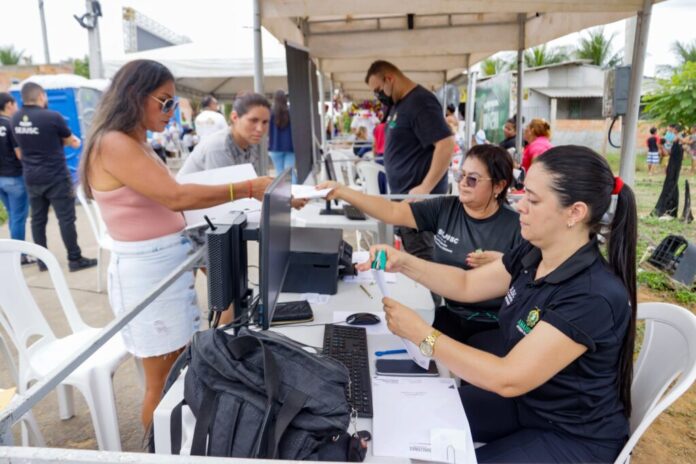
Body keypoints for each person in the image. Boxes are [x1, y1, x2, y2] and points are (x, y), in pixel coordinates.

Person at [360, 145, 638, 463]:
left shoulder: (593, 295)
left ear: (574, 212)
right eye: (523, 195)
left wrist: (424, 336)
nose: (520, 207)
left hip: (572, 434)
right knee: (410, 421)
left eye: (533, 200)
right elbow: (466, 284)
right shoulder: (534, 252)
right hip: (527, 403)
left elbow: (508, 377)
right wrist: (403, 262)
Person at [79, 59, 274, 429]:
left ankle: (172, 443)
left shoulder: (133, 142)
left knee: (177, 371)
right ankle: (158, 448)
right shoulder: (114, 143)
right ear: (135, 97)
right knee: (162, 382)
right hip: (148, 271)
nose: (171, 111)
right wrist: (247, 188)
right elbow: (175, 196)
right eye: (165, 102)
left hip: (165, 265)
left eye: (173, 103)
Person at [319, 144, 522, 344]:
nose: (462, 183)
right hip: (450, 314)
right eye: (461, 175)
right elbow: (393, 212)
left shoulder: (517, 227)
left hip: (494, 325)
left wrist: (504, 264)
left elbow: (534, 279)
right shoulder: (446, 207)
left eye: (473, 179)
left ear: (499, 186)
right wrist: (343, 192)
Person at [364, 60, 455, 265]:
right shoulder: (399, 104)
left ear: (390, 79)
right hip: (405, 203)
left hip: (419, 207)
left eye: (379, 89)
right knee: (414, 262)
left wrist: (425, 187)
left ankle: (434, 298)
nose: (378, 95)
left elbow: (446, 144)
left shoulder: (420, 102)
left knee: (424, 265)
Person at [11, 82, 96, 272]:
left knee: (38, 220)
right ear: (41, 96)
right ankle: (74, 259)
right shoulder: (52, 116)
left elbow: (20, 148)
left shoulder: (15, 119)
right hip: (56, 176)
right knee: (65, 219)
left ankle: (42, 262)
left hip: (32, 177)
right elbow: (73, 142)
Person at [179, 93, 269, 177]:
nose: (260, 129)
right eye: (253, 120)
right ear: (234, 117)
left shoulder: (253, 142)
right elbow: (224, 191)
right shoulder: (219, 146)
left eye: (265, 122)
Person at [0, 93, 32, 264]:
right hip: (14, 177)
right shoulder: (10, 125)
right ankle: (19, 255)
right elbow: (20, 154)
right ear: (9, 105)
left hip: (0, 179)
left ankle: (13, 251)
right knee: (19, 217)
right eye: (15, 103)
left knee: (13, 215)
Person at [268, 90, 296, 183]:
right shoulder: (291, 111)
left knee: (280, 173)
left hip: (274, 147)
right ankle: (295, 193)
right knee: (290, 173)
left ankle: (283, 194)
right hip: (290, 147)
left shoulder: (270, 113)